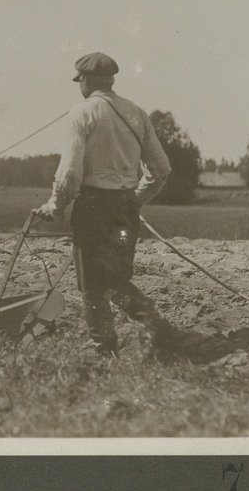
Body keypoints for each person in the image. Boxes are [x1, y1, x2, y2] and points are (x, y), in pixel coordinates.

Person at [34, 52, 173, 355]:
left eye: (79, 80)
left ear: (85, 80)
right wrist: (136, 199)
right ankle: (157, 327)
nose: (79, 85)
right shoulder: (136, 113)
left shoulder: (82, 113)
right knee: (117, 279)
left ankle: (103, 349)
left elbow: (70, 173)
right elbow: (161, 170)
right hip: (125, 210)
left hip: (93, 209)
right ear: (111, 80)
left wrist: (54, 207)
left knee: (93, 285)